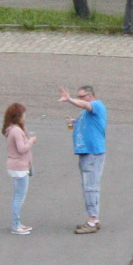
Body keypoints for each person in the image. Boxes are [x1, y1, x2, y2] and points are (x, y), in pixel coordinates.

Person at [59, 84, 106, 233]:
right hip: (85, 151)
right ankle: (94, 218)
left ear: (90, 96)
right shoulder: (84, 113)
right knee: (88, 186)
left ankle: (92, 221)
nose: (80, 99)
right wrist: (73, 123)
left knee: (91, 187)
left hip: (93, 152)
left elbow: (86, 105)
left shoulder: (96, 105)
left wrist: (70, 99)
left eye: (81, 96)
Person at [3, 102, 34, 235]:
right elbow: (22, 149)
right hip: (19, 167)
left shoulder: (13, 129)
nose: (25, 116)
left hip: (16, 166)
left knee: (18, 196)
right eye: (23, 114)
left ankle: (18, 223)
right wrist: (31, 141)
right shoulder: (16, 131)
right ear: (18, 116)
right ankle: (16, 225)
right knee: (18, 198)